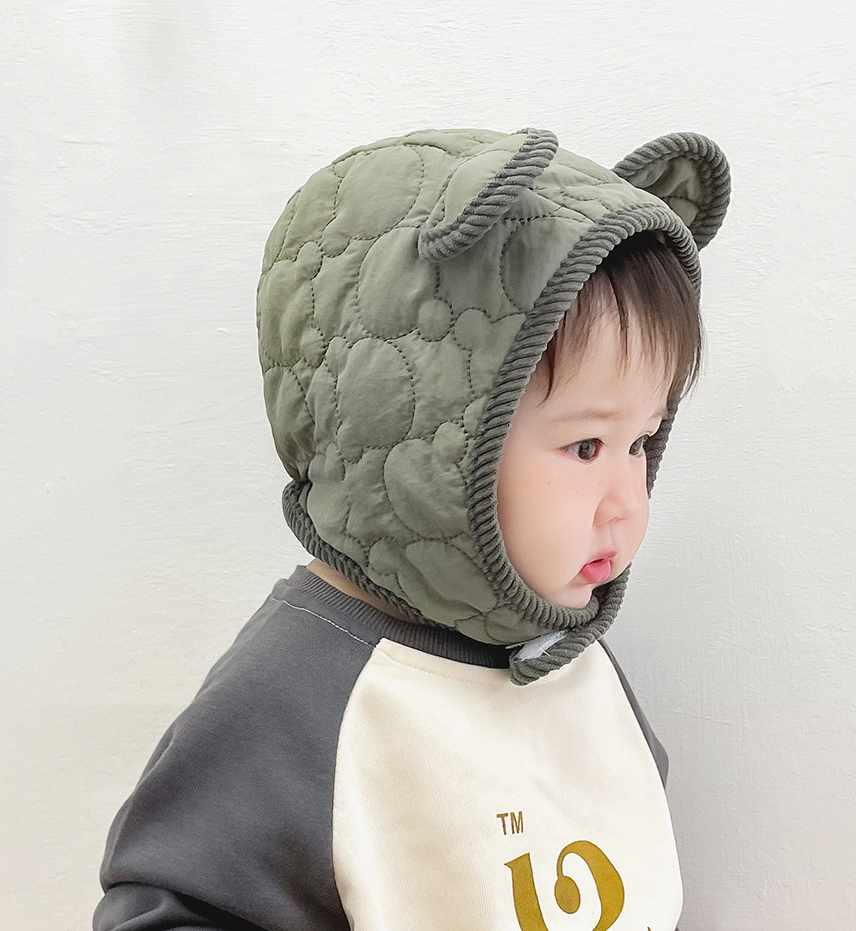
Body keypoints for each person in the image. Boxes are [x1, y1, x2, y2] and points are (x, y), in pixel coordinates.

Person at [93, 126, 730, 931]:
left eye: (640, 443)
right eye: (585, 447)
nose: (627, 503)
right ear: (424, 431)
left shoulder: (569, 659)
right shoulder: (301, 692)